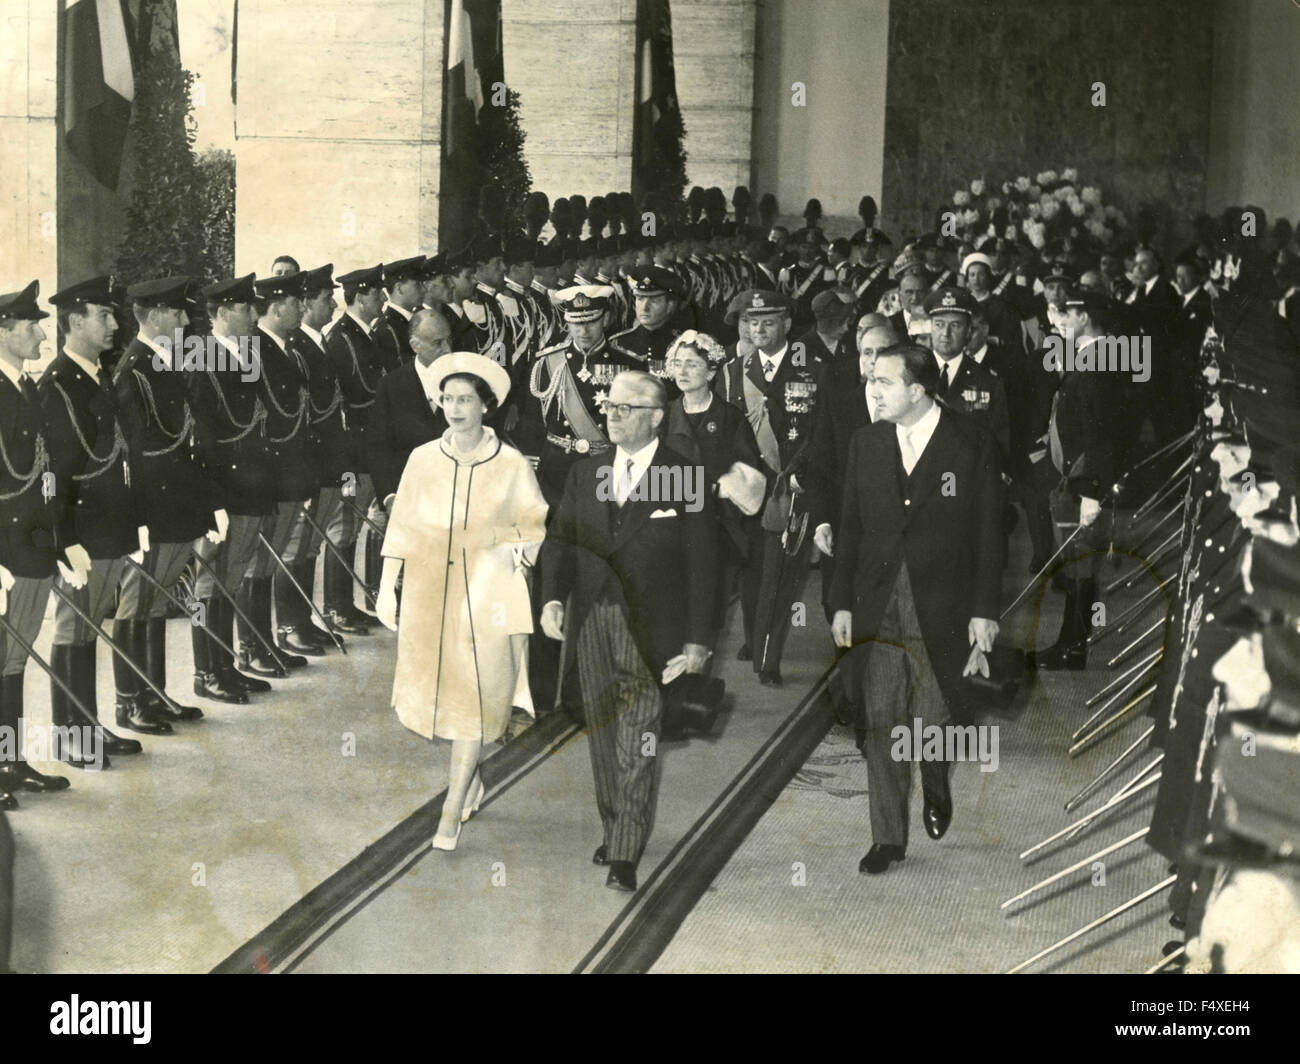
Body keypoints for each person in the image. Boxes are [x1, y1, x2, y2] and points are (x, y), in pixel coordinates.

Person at [540, 370, 717, 891]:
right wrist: (552, 598)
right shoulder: (587, 470)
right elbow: (560, 539)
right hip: (591, 618)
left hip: (653, 626)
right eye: (609, 406)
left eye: (625, 408)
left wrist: (698, 640)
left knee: (639, 731)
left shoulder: (682, 475)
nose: (611, 416)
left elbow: (704, 565)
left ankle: (625, 850)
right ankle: (615, 823)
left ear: (657, 417)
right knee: (601, 727)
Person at [830, 344, 1004, 875]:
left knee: (932, 715)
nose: (872, 390)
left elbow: (988, 530)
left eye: (884, 381)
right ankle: (887, 838)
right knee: (881, 717)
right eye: (870, 380)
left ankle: (934, 770)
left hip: (944, 603)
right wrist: (839, 602)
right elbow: (851, 526)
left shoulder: (970, 441)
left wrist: (984, 609)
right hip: (877, 601)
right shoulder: (867, 442)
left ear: (918, 389)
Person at [376, 352, 548, 851]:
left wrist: (505, 548)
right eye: (447, 398)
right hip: (431, 593)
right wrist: (388, 586)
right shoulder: (422, 459)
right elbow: (402, 525)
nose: (454, 408)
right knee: (442, 696)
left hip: (488, 595)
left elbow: (534, 525)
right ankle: (468, 777)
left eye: (465, 399)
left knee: (476, 696)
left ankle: (450, 811)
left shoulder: (511, 463)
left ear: (485, 405)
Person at [40, 276, 156, 765]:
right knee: (73, 627)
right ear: (74, 322)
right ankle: (71, 736)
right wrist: (65, 539)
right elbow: (55, 470)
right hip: (82, 528)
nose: (114, 324)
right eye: (103, 316)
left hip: (109, 522)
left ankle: (89, 726)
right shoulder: (58, 383)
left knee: (88, 629)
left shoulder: (96, 374)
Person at [115, 279, 233, 705]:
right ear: (155, 316)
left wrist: (208, 500)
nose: (185, 320)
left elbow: (187, 440)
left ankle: (155, 694)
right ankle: (131, 700)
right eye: (177, 313)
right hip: (154, 507)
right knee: (139, 602)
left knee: (157, 602)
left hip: (178, 503)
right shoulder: (136, 370)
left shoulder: (163, 363)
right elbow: (141, 451)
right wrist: (142, 518)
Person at [0, 281, 87, 801]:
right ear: (3, 332)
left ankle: (11, 763)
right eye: (30, 325)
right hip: (6, 551)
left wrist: (60, 540)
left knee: (14, 659)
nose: (41, 335)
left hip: (32, 546)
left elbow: (41, 473)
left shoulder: (25, 387)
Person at [662, 331, 768, 637]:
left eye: (692, 365)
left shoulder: (730, 417)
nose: (682, 371)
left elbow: (748, 473)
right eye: (677, 363)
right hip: (671, 525)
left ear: (711, 371)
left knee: (708, 615)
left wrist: (713, 490)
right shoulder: (664, 415)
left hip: (719, 526)